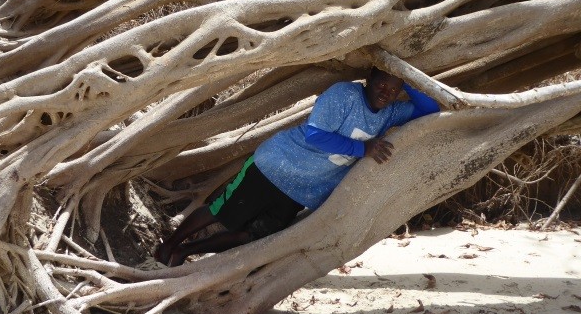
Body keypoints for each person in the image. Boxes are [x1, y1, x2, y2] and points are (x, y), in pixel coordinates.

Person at [153, 67, 440, 267]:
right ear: (369, 78)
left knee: (252, 236)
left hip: (302, 190)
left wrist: (407, 80)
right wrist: (362, 149)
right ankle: (170, 243)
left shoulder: (390, 112)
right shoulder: (344, 95)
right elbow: (316, 134)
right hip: (274, 166)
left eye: (394, 89)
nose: (386, 92)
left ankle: (186, 251)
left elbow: (432, 110)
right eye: (382, 85)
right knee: (222, 213)